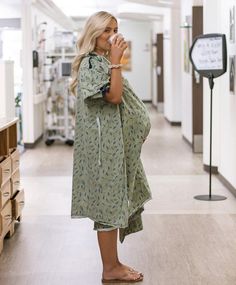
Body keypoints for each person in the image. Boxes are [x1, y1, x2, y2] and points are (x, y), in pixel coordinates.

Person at [70, 11, 152, 283]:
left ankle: (114, 263)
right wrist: (116, 62)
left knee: (114, 202)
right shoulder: (92, 64)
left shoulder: (102, 62)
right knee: (107, 207)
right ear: (93, 33)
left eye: (115, 29)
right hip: (104, 152)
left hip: (113, 149)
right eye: (106, 30)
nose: (112, 35)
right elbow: (115, 97)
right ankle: (110, 268)